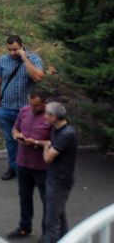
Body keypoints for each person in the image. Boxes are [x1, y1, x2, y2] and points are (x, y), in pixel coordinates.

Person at [0, 35, 45, 181]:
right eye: (9, 50)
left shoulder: (34, 59)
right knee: (11, 140)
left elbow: (37, 77)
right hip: (5, 107)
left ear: (22, 46)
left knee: (28, 140)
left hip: (26, 109)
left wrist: (24, 59)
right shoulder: (2, 60)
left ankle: (29, 169)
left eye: (15, 49)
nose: (12, 53)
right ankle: (13, 168)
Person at [6, 90, 51, 240]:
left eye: (37, 106)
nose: (33, 108)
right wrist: (16, 135)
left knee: (47, 201)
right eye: (31, 104)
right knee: (24, 197)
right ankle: (25, 227)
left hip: (42, 168)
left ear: (45, 103)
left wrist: (36, 143)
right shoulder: (24, 110)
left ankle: (48, 233)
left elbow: (56, 143)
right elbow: (15, 127)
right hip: (22, 163)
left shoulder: (52, 117)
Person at [41, 102, 78, 243]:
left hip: (59, 181)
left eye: (47, 114)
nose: (44, 117)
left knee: (52, 221)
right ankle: (66, 239)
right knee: (59, 214)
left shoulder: (66, 134)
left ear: (54, 117)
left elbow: (48, 157)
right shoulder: (58, 129)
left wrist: (45, 146)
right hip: (57, 179)